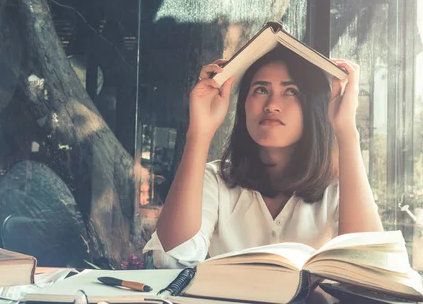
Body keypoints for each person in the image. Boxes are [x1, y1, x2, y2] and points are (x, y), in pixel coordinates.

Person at [143, 46, 383, 269]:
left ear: (313, 106)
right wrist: (199, 133)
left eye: (291, 91)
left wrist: (346, 131)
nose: (272, 105)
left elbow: (368, 267)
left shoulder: (338, 187)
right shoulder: (216, 180)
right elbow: (172, 257)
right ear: (244, 105)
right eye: (261, 90)